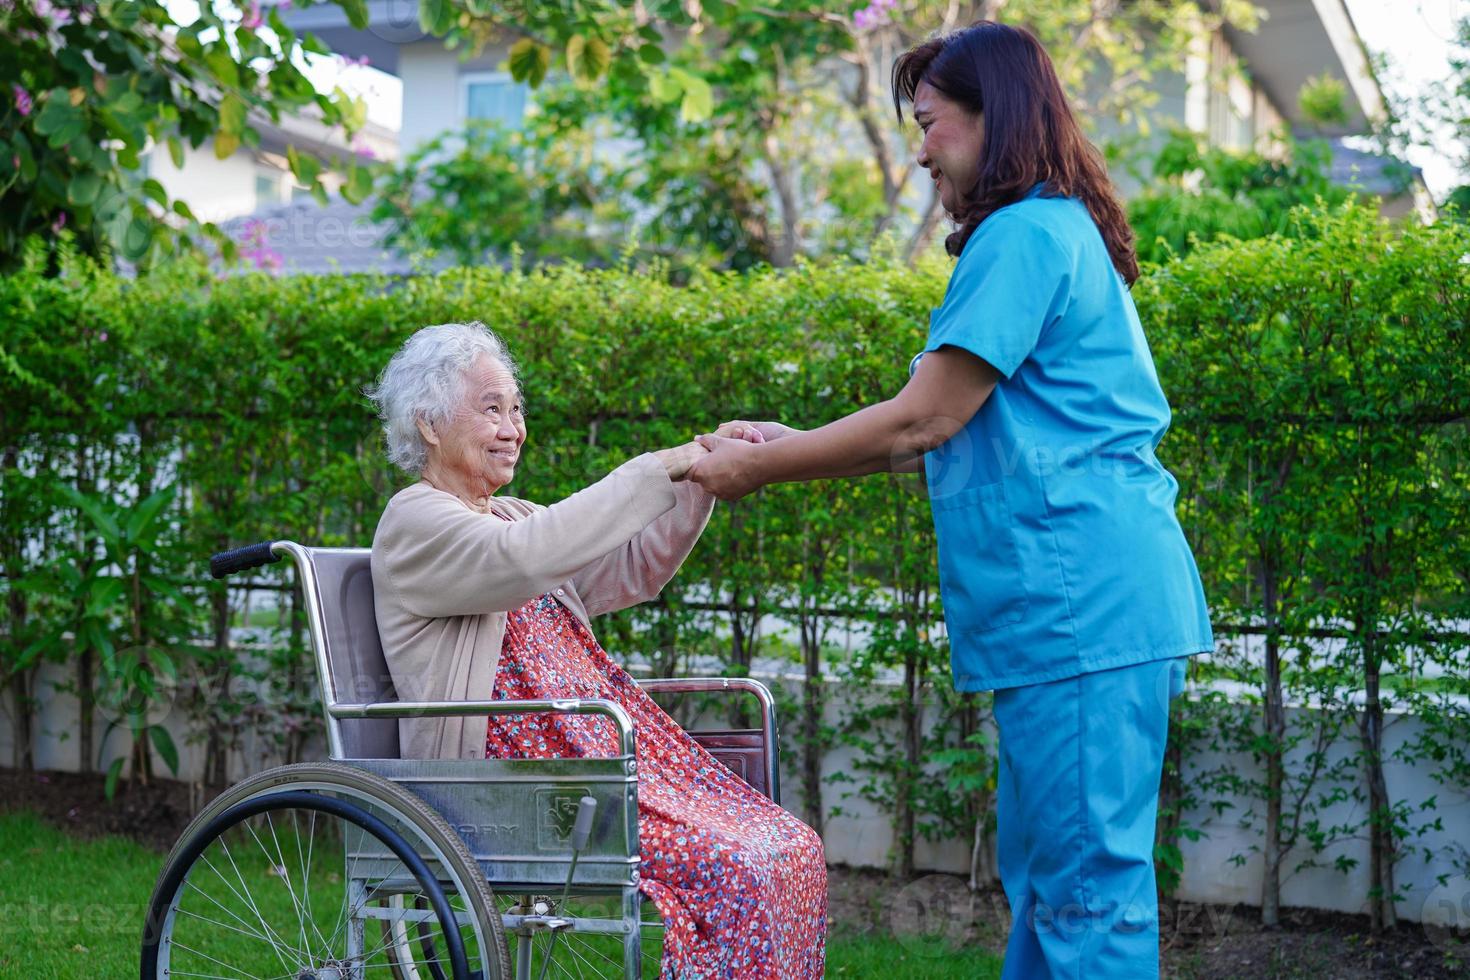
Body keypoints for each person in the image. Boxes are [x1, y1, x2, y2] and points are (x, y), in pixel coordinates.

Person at [688, 21, 1211, 980]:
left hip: (1081, 608)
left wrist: (759, 469)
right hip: (1074, 611)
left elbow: (918, 422)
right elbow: (936, 424)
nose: (920, 147)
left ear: (991, 116)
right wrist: (788, 443)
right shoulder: (1048, 229)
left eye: (931, 123)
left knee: (1087, 898)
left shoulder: (1022, 235)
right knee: (1057, 888)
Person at [366, 321, 827, 979]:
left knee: (789, 848)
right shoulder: (416, 519)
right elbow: (524, 561)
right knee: (737, 867)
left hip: (590, 759)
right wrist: (662, 462)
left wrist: (699, 476)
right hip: (522, 779)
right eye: (491, 408)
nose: (513, 427)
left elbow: (627, 569)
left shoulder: (512, 515)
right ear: (430, 426)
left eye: (517, 409)